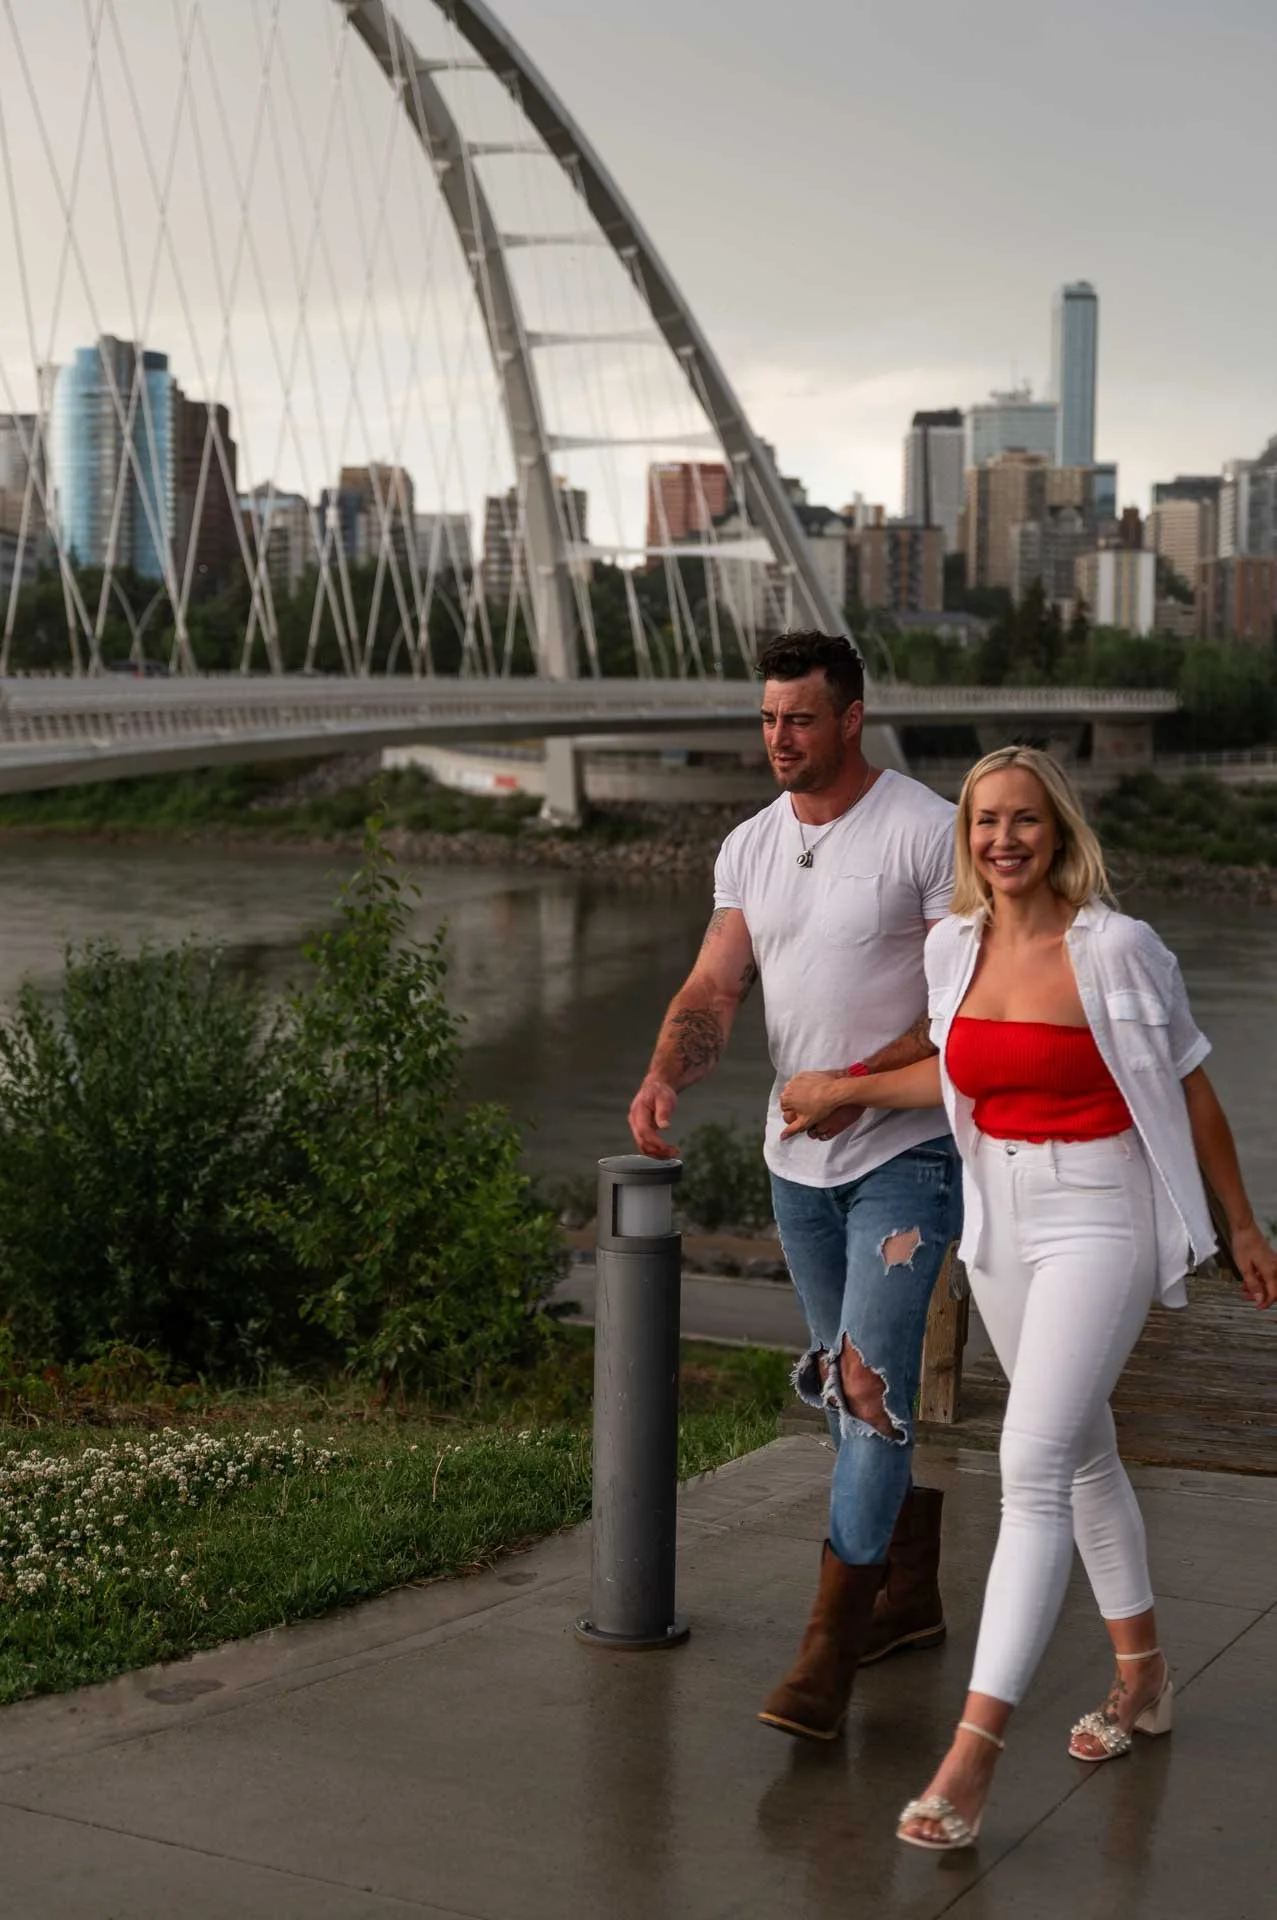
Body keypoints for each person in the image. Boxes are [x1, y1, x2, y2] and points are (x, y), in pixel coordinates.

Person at [778, 744, 1277, 1849]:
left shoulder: (1116, 950)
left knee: (1030, 1467)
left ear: (1057, 829)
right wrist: (844, 1094)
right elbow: (954, 1073)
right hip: (997, 1217)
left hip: (1097, 1211)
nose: (1000, 839)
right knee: (1082, 1451)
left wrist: (1240, 1223)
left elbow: (1188, 1086)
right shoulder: (952, 947)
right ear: (966, 839)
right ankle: (1140, 1675)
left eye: (1021, 819)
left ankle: (970, 1755)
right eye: (982, 822)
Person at [628, 630, 963, 1743]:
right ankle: (905, 1594)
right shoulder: (750, 846)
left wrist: (854, 1086)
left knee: (866, 1390)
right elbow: (715, 982)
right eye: (767, 719)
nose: (778, 739)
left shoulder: (923, 830)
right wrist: (663, 1072)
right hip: (794, 1164)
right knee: (841, 1392)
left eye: (800, 719)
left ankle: (828, 1650)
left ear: (851, 717)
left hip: (905, 1158)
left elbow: (961, 1004)